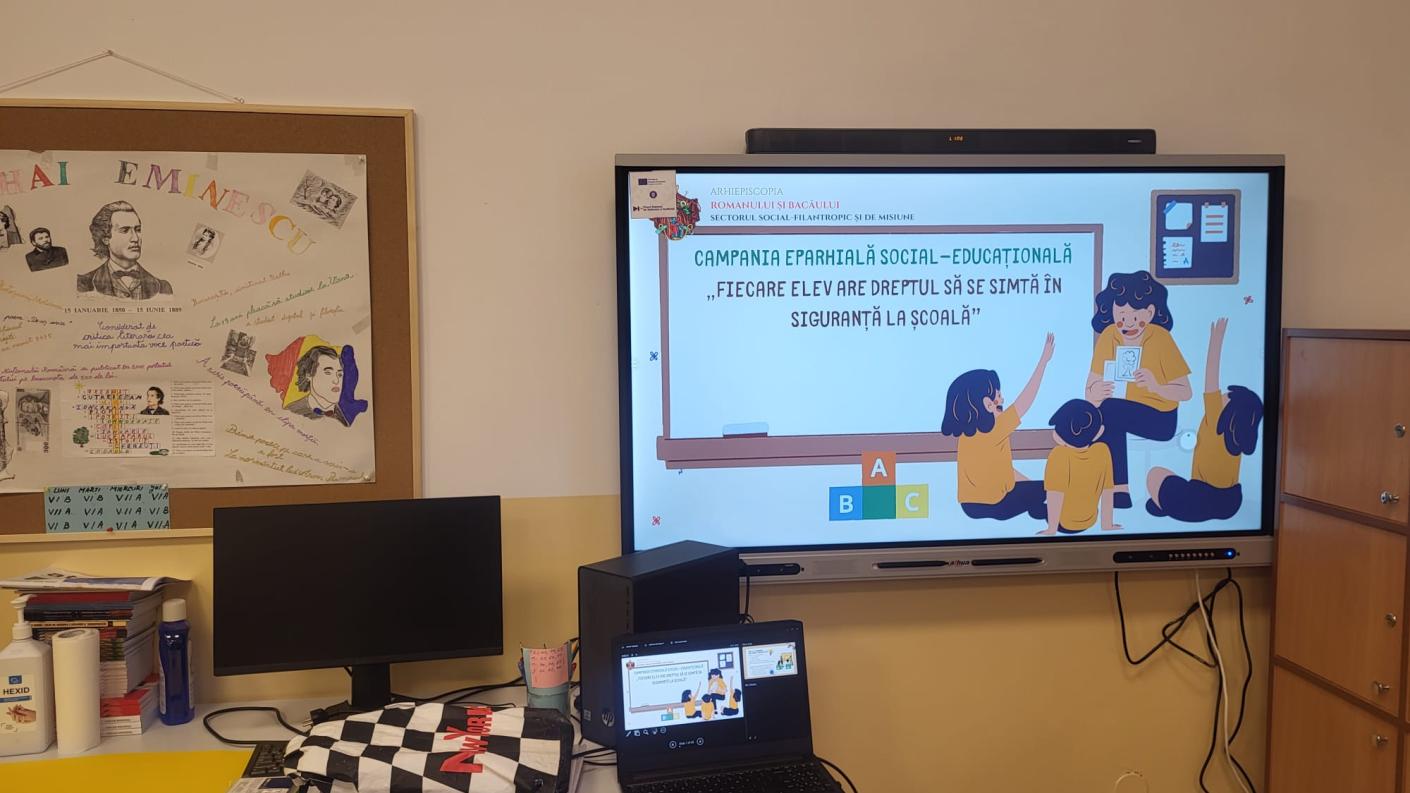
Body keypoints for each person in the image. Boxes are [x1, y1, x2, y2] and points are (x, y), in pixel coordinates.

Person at [1085, 272, 1191, 509]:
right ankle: (1110, 489)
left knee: (1109, 412)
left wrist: (1157, 386)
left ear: (1150, 312)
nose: (1128, 323)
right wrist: (1095, 392)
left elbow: (1185, 392)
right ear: (1112, 312)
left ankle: (1117, 489)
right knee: (1099, 411)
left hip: (1160, 418)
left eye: (1135, 316)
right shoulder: (1109, 336)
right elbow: (1089, 390)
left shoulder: (1160, 338)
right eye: (1121, 316)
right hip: (1118, 410)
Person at [1146, 318, 1264, 521]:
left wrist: (1216, 341)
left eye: (1225, 396)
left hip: (1199, 500)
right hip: (1231, 502)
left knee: (1155, 474)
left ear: (1228, 412)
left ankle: (1165, 504)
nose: (1221, 395)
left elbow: (1211, 378)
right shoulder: (1241, 436)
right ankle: (1166, 504)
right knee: (1166, 481)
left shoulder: (1215, 419)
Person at [942, 333, 1055, 522]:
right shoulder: (994, 429)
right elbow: (1024, 402)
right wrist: (1043, 362)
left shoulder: (967, 437)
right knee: (1050, 488)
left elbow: (1003, 472)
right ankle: (1040, 510)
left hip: (969, 507)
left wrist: (1030, 486)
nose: (1002, 400)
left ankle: (1037, 508)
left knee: (1037, 489)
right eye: (997, 397)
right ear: (985, 404)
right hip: (997, 504)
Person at [1040, 399, 1118, 535]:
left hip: (1064, 524)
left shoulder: (1059, 455)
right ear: (1099, 432)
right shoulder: (1102, 450)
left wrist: (1051, 530)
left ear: (1057, 436)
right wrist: (1107, 524)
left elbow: (1055, 495)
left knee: (1036, 501)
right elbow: (1108, 490)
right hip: (1090, 521)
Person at [76, 201, 173, 299]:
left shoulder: (163, 288)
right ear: (106, 238)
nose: (135, 238)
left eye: (138, 230)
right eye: (125, 230)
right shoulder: (84, 284)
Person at [285, 345, 350, 426]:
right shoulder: (292, 411)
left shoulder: (344, 418)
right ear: (308, 375)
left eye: (340, 374)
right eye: (328, 373)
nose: (336, 380)